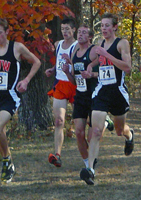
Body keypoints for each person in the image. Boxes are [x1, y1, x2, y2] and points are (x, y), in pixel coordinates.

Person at [0, 18, 41, 183]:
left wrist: (26, 81)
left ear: (6, 32)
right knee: (0, 132)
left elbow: (37, 62)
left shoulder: (17, 48)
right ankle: (8, 163)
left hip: (10, 95)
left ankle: (6, 161)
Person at [79, 13, 134, 185]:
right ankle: (91, 171)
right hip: (101, 91)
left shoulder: (122, 43)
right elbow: (99, 62)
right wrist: (89, 68)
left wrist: (106, 55)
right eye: (102, 26)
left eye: (107, 25)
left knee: (119, 130)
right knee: (96, 131)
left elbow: (128, 68)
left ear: (115, 27)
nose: (104, 29)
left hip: (117, 92)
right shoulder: (100, 44)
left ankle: (129, 136)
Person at [61, 24, 114, 169]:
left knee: (91, 137)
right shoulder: (74, 52)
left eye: (84, 33)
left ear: (90, 37)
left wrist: (92, 74)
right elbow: (75, 80)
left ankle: (104, 122)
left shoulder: (95, 51)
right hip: (80, 96)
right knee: (78, 132)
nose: (80, 35)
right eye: (79, 32)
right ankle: (88, 163)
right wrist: (67, 72)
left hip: (95, 95)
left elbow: (107, 70)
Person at [45, 18, 78, 168]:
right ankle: (57, 155)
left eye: (67, 29)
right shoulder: (58, 45)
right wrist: (52, 70)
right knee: (59, 121)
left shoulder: (78, 46)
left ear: (74, 30)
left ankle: (103, 121)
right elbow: (58, 61)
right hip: (60, 84)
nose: (65, 32)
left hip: (75, 85)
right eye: (63, 29)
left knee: (82, 123)